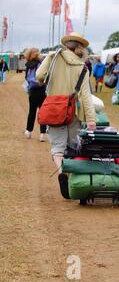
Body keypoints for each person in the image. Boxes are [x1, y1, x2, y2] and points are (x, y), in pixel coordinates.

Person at [36, 32, 96, 199]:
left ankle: (61, 171)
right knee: (73, 147)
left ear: (66, 44)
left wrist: (48, 81)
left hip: (53, 109)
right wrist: (91, 119)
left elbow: (39, 76)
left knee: (57, 148)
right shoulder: (82, 67)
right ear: (80, 47)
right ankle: (70, 179)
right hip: (73, 112)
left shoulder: (53, 57)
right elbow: (86, 96)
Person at [23, 48, 47, 142]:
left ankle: (28, 131)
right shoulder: (40, 64)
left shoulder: (28, 65)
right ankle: (42, 134)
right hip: (41, 90)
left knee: (31, 111)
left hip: (32, 91)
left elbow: (27, 78)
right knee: (43, 112)